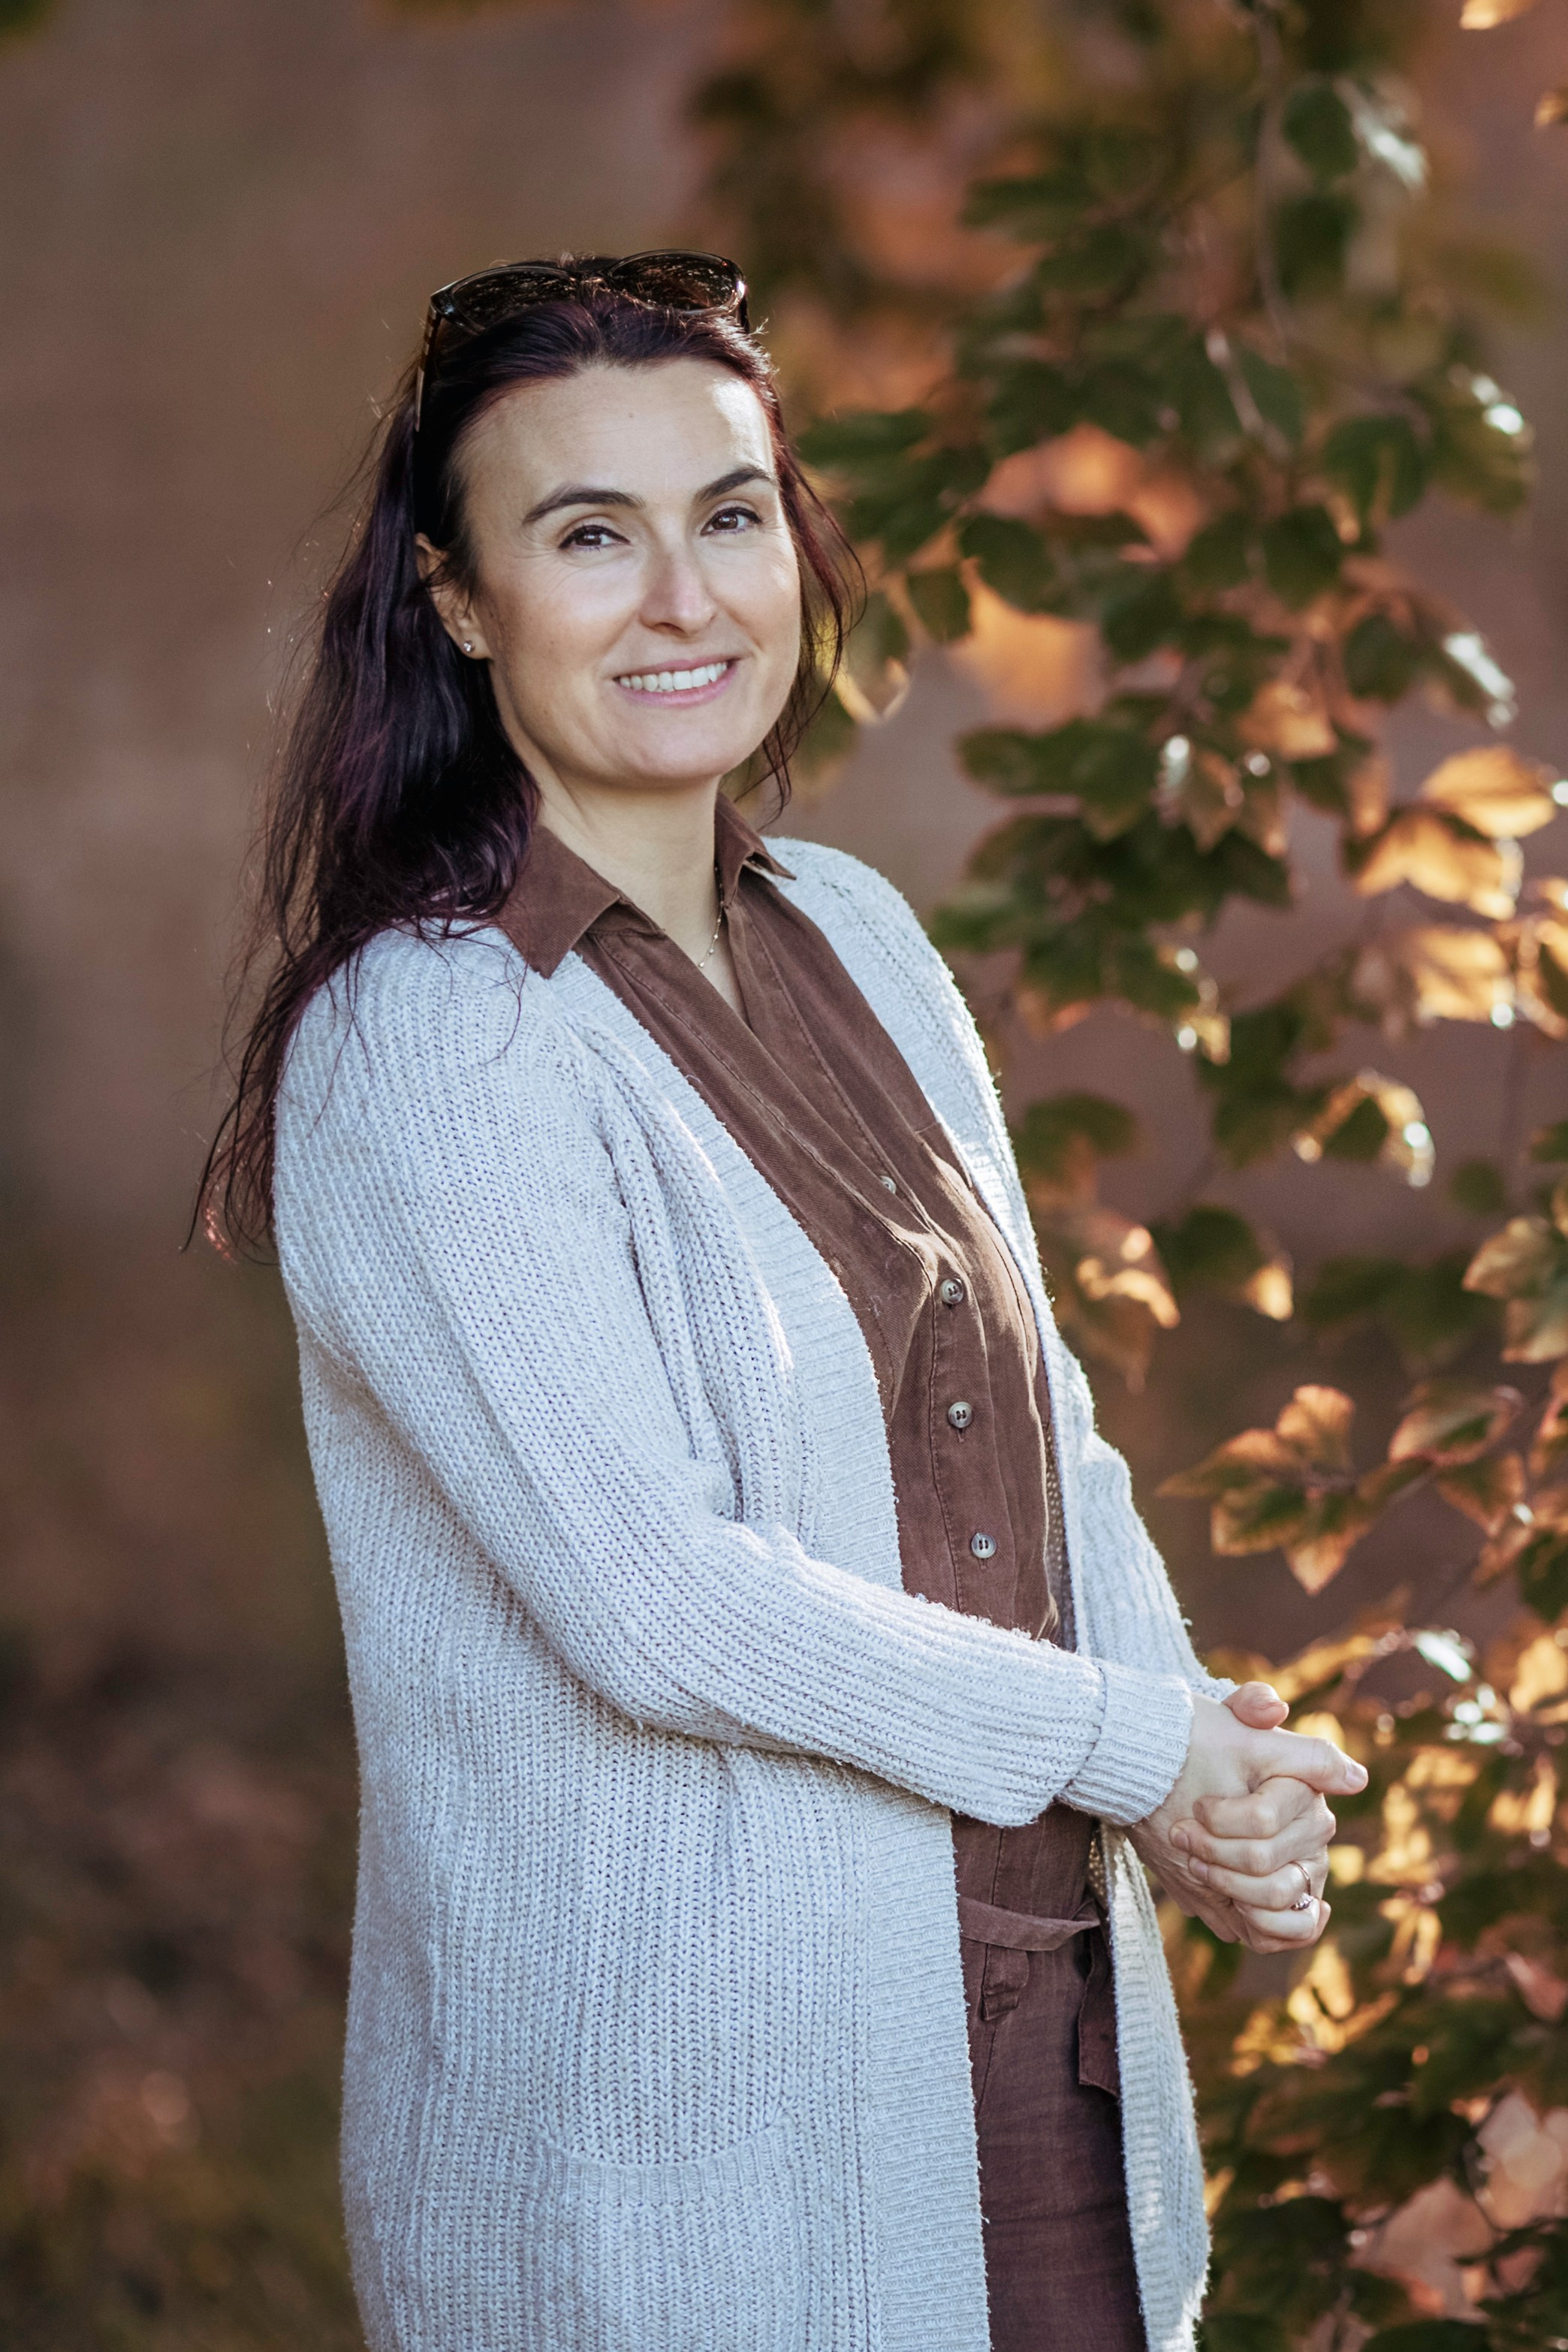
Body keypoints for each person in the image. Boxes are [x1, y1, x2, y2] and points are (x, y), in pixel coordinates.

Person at [204, 253, 1368, 2352]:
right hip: (683, 2160)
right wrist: (1139, 1747)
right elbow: (657, 1599)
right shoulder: (429, 1045)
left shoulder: (859, 929)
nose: (684, 597)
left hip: (1035, 2057)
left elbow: (1051, 1429)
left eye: (729, 515)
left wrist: (1212, 1789)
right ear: (459, 602)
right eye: (589, 535)